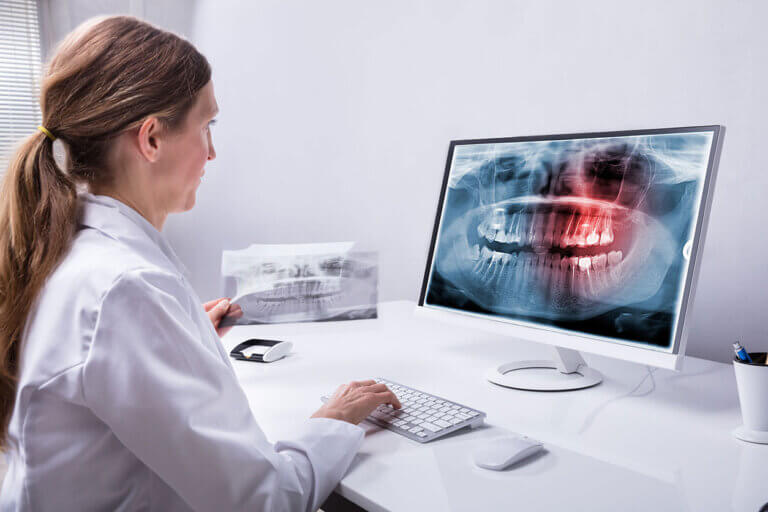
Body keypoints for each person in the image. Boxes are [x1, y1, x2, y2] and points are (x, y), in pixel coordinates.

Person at [0, 16, 400, 511]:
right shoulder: (126, 288)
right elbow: (264, 500)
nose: (212, 152)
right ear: (150, 139)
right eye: (206, 126)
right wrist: (335, 420)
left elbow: (99, 378)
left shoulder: (72, 252)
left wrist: (182, 339)